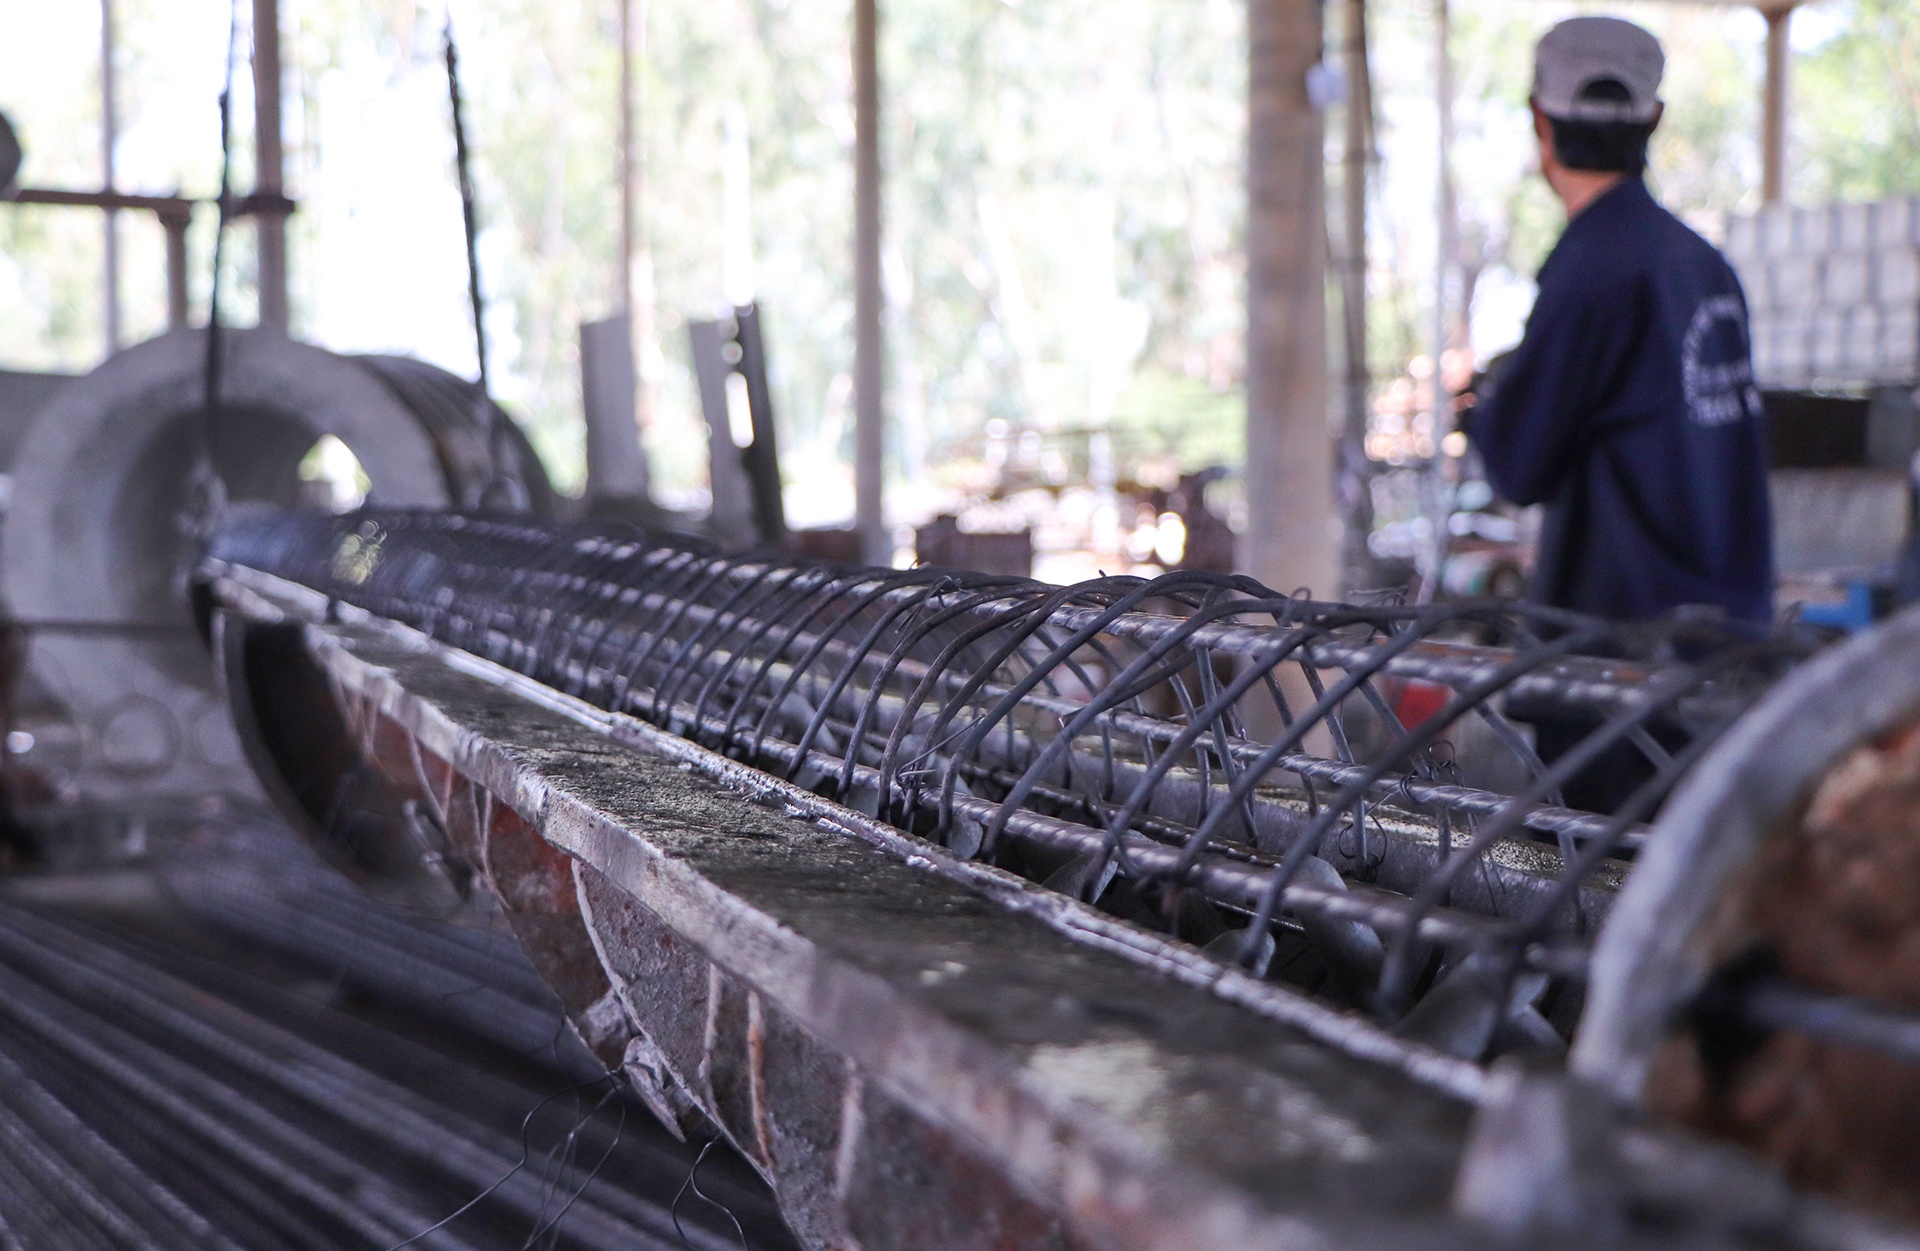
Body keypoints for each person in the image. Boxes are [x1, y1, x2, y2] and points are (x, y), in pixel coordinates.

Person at [1463, 16, 1774, 625]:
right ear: (1654, 118)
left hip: (1621, 653)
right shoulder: (1705, 265)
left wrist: (1481, 408)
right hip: (1728, 641)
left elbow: (1518, 466)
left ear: (1539, 120)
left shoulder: (1590, 267)